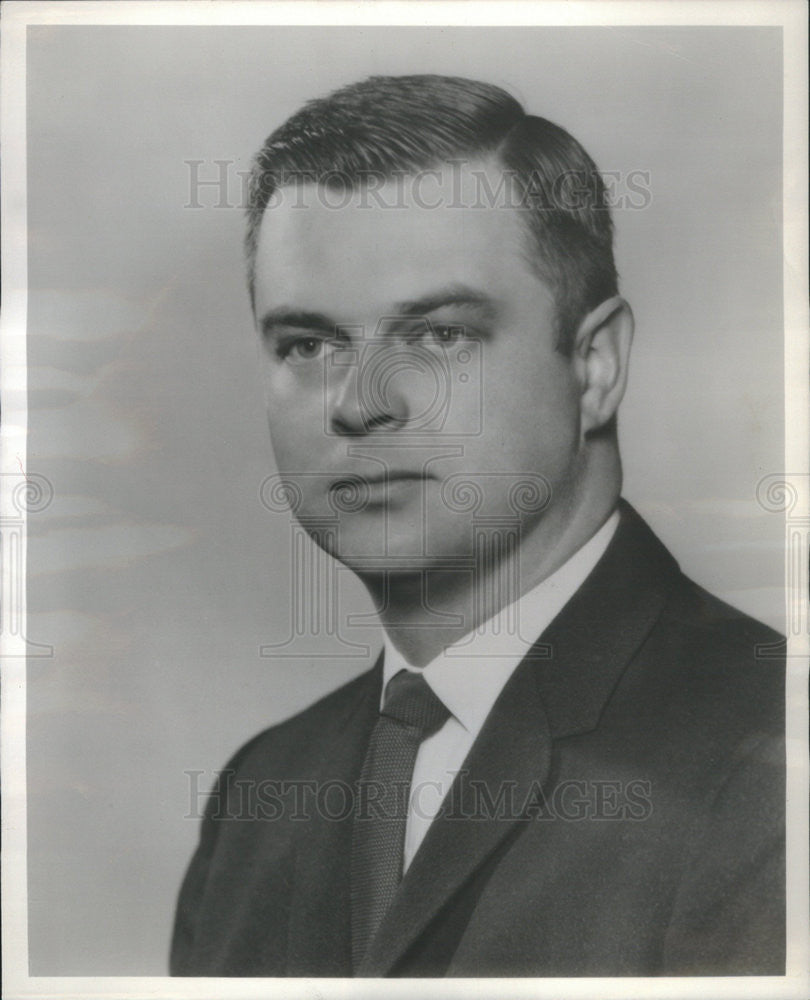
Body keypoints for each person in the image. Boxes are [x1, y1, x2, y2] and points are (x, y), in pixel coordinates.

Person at [170, 74, 784, 977]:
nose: (359, 403)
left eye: (440, 335)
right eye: (308, 344)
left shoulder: (771, 767)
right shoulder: (259, 797)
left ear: (596, 366)